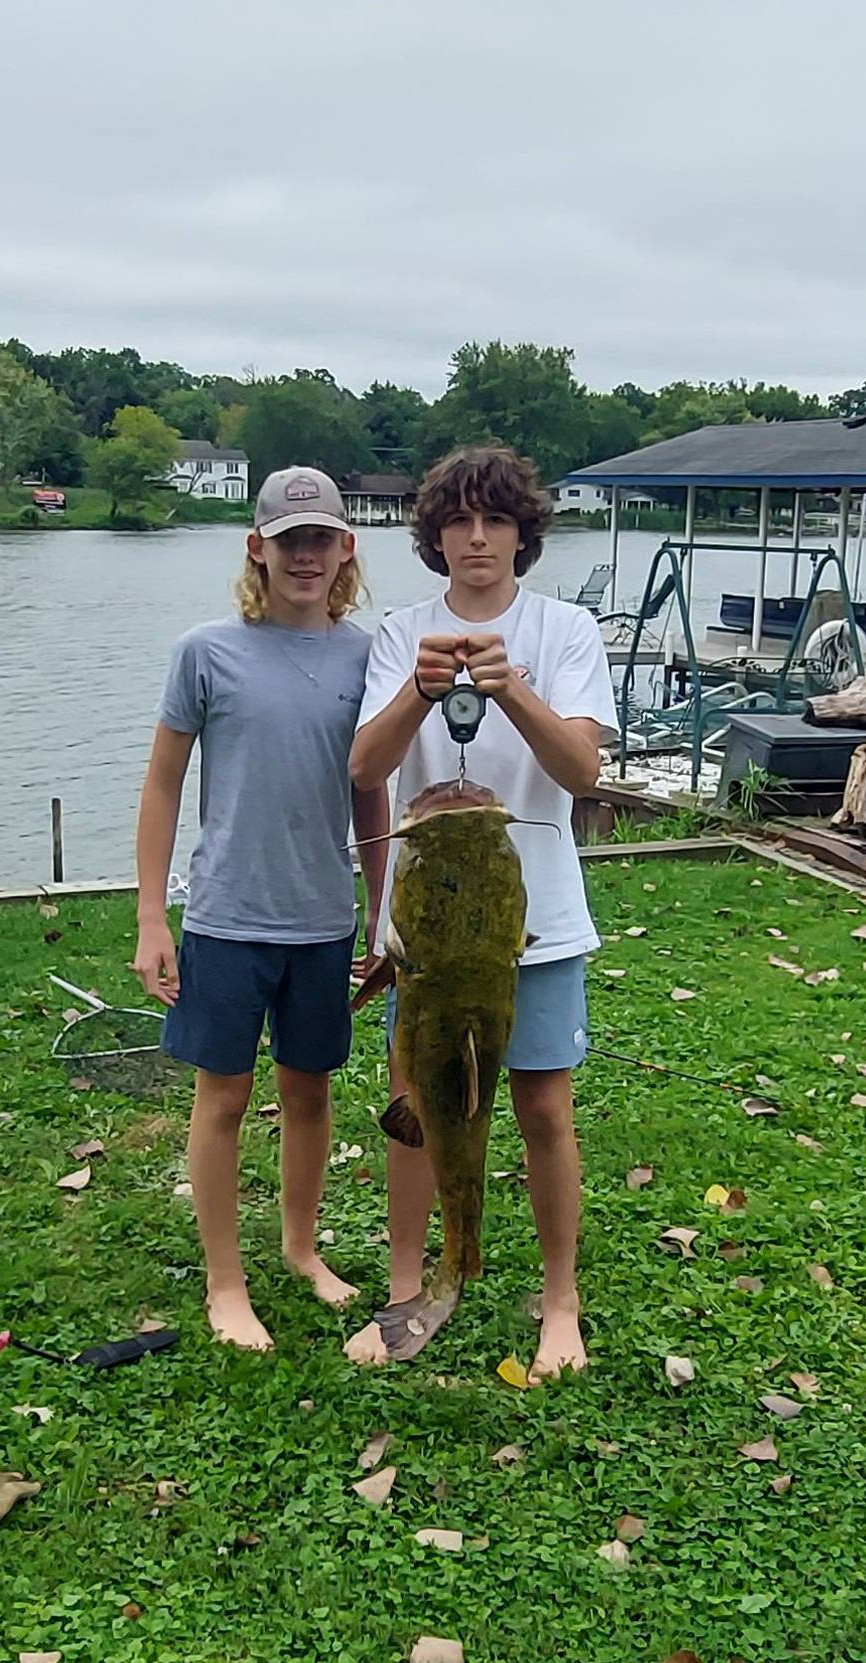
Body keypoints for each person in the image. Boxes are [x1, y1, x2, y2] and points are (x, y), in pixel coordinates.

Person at [346, 444, 617, 1381]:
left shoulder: (566, 630)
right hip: (424, 941)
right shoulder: (400, 633)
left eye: (495, 519)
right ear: (433, 536)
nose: (476, 537)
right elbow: (365, 769)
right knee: (420, 1105)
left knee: (544, 1107)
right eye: (457, 521)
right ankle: (407, 1287)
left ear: (522, 533)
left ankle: (559, 1302)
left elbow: (583, 772)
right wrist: (422, 690)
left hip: (531, 929)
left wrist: (515, 687)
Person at [133, 467, 389, 1352]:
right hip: (226, 917)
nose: (305, 555)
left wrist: (381, 909)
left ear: (345, 548)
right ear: (258, 549)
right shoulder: (206, 652)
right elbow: (163, 786)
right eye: (289, 541)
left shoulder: (368, 656)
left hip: (323, 921)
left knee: (310, 1091)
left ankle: (299, 1248)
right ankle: (225, 1281)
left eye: (321, 538)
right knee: (224, 1096)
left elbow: (372, 794)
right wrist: (151, 919)